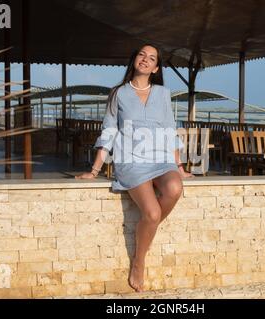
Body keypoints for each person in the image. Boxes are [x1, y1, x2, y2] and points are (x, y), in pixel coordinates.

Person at [75, 44, 193, 292]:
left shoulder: (163, 93)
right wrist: (95, 170)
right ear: (135, 60)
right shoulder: (118, 93)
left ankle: (145, 234)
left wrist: (179, 166)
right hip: (131, 160)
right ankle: (139, 261)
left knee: (175, 186)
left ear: (156, 67)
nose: (146, 60)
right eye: (142, 55)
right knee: (151, 215)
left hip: (161, 158)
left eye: (152, 58)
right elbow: (109, 131)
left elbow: (169, 130)